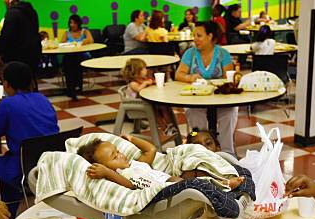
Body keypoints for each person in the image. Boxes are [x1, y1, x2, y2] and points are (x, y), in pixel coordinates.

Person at [0, 62, 59, 216]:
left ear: (6, 84)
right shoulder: (42, 99)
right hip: (52, 163)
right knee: (7, 164)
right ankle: (9, 208)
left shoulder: (7, 104)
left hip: (23, 167)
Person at [78, 134, 244, 190]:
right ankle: (224, 185)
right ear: (106, 168)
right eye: (114, 157)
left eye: (118, 151)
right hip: (163, 189)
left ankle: (224, 181)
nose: (120, 155)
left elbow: (151, 150)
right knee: (197, 185)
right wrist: (106, 173)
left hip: (169, 179)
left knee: (196, 175)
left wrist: (132, 138)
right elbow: (129, 185)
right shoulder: (120, 175)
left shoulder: (136, 163)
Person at [175, 21, 238, 156]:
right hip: (196, 99)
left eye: (199, 35)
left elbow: (229, 78)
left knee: (229, 112)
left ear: (210, 36)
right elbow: (178, 74)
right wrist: (190, 78)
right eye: (194, 35)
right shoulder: (190, 53)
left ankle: (226, 152)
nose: (195, 39)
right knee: (193, 112)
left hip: (221, 99)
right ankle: (202, 151)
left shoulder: (223, 54)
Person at [122, 58, 179, 138]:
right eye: (143, 68)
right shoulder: (133, 83)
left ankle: (170, 124)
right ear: (136, 71)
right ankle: (164, 128)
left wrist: (153, 82)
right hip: (136, 106)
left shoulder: (142, 80)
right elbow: (139, 90)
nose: (146, 70)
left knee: (164, 106)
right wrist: (145, 83)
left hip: (145, 103)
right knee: (155, 111)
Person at [0, 0, 41, 73]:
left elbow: (6, 36)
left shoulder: (12, 13)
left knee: (16, 81)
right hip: (34, 52)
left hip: (16, 56)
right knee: (30, 78)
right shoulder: (32, 11)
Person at [60, 14, 93, 100]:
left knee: (73, 61)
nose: (72, 25)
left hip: (83, 54)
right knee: (68, 60)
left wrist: (84, 41)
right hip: (70, 55)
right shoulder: (66, 33)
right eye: (71, 23)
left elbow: (91, 40)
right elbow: (61, 43)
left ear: (79, 23)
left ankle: (73, 87)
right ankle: (72, 88)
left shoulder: (84, 31)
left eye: (74, 23)